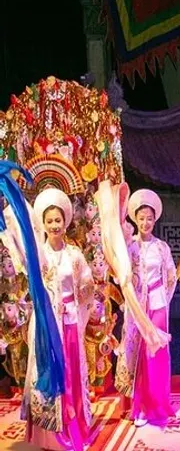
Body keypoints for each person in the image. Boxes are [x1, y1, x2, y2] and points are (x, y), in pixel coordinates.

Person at [24, 188, 94, 450]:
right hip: (47, 325)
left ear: (65, 222)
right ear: (43, 224)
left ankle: (73, 429)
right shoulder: (37, 256)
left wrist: (76, 304)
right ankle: (50, 435)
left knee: (71, 372)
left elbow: (87, 286)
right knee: (50, 374)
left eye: (58, 220)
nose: (54, 225)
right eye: (49, 221)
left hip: (71, 322)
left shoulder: (74, 255)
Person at [115, 189, 177, 427]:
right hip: (138, 306)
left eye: (149, 218)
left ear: (155, 220)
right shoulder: (130, 247)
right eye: (141, 218)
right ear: (136, 220)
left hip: (158, 303)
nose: (145, 222)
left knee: (156, 353)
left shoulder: (162, 247)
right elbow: (123, 275)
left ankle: (158, 403)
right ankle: (141, 407)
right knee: (141, 355)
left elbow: (171, 275)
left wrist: (164, 299)